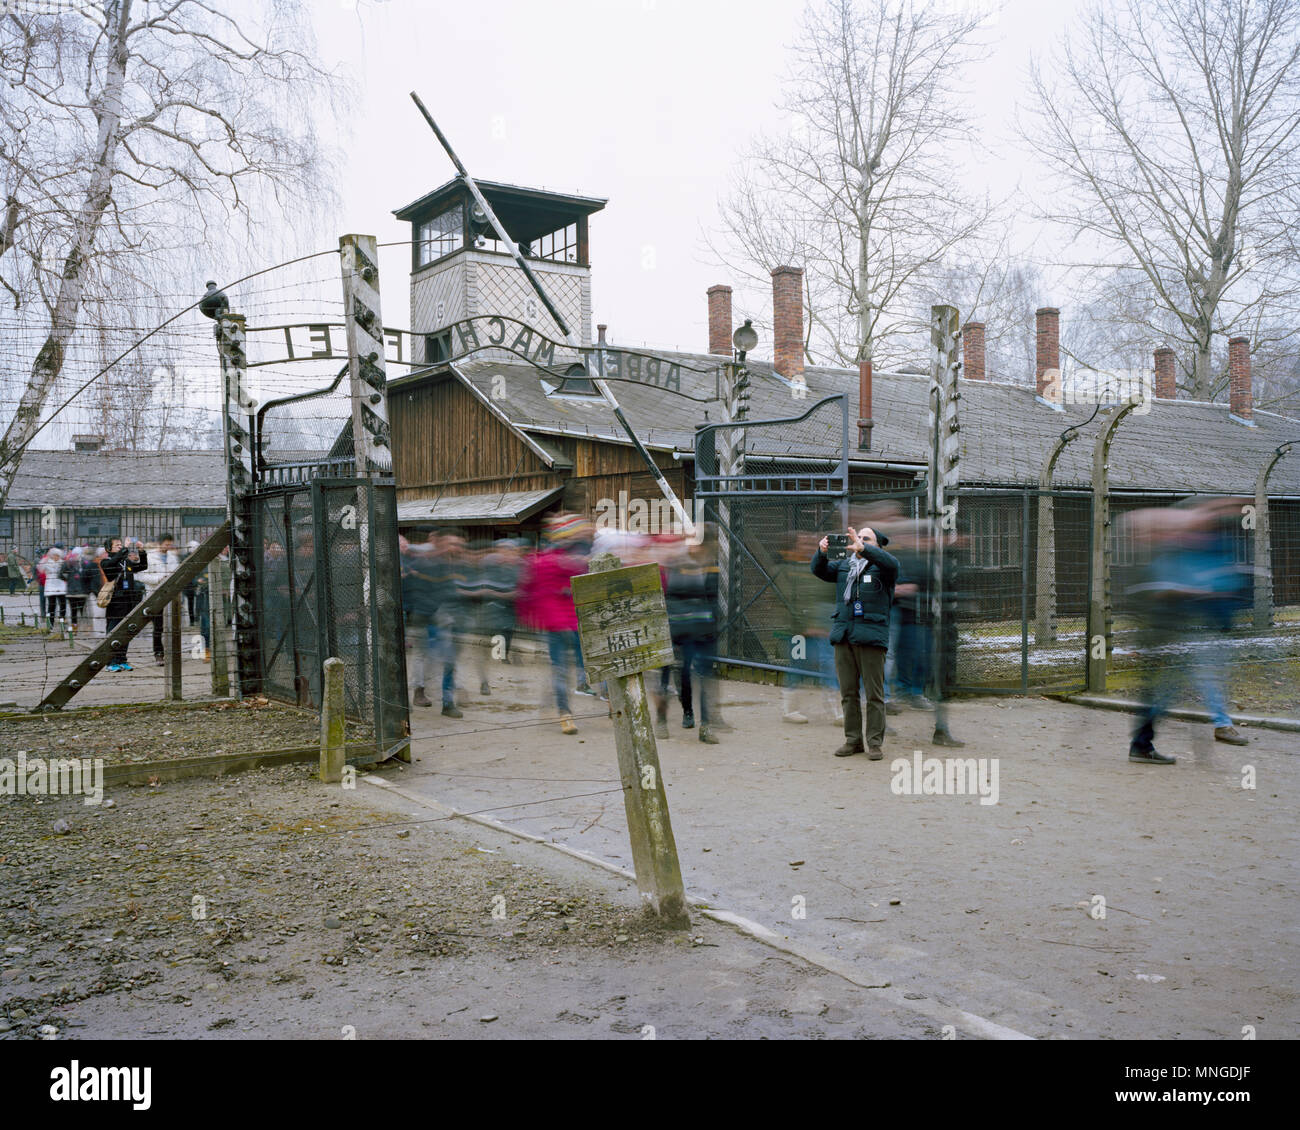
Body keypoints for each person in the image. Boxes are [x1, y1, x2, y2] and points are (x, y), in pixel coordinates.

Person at [812, 525, 898, 759]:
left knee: (873, 694)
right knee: (848, 693)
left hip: (871, 637)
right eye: (857, 536)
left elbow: (893, 565)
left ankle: (875, 743)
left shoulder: (883, 567)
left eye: (866, 538)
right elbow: (819, 571)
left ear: (877, 545)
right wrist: (821, 552)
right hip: (844, 635)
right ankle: (853, 740)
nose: (858, 540)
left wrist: (866, 550)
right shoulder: (844, 565)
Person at [517, 513, 589, 735]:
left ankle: (562, 712)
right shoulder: (568, 562)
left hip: (558, 624)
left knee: (560, 669)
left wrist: (527, 617)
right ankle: (565, 712)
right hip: (567, 623)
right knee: (576, 667)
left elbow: (525, 592)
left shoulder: (539, 560)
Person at [99, 536, 148, 671]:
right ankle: (110, 662)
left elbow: (143, 566)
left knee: (126, 631)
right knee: (113, 630)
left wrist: (141, 551)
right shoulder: (106, 562)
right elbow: (111, 566)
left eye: (121, 545)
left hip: (129, 601)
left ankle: (122, 659)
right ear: (108, 549)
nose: (121, 547)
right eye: (118, 545)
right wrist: (125, 549)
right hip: (115, 602)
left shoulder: (126, 562)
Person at [139, 532, 181, 666]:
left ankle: (174, 654)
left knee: (173, 627)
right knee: (158, 628)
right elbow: (141, 576)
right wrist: (158, 579)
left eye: (170, 544)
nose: (168, 546)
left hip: (171, 596)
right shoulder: (149, 558)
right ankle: (158, 654)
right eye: (166, 544)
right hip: (155, 596)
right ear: (159, 543)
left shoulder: (173, 557)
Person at [42, 547, 68, 630]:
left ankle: (62, 621)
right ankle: (51, 623)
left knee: (63, 605)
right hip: (51, 587)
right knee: (51, 606)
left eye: (58, 555)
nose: (56, 557)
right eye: (54, 555)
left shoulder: (63, 563)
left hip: (61, 586)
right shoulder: (47, 563)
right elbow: (40, 568)